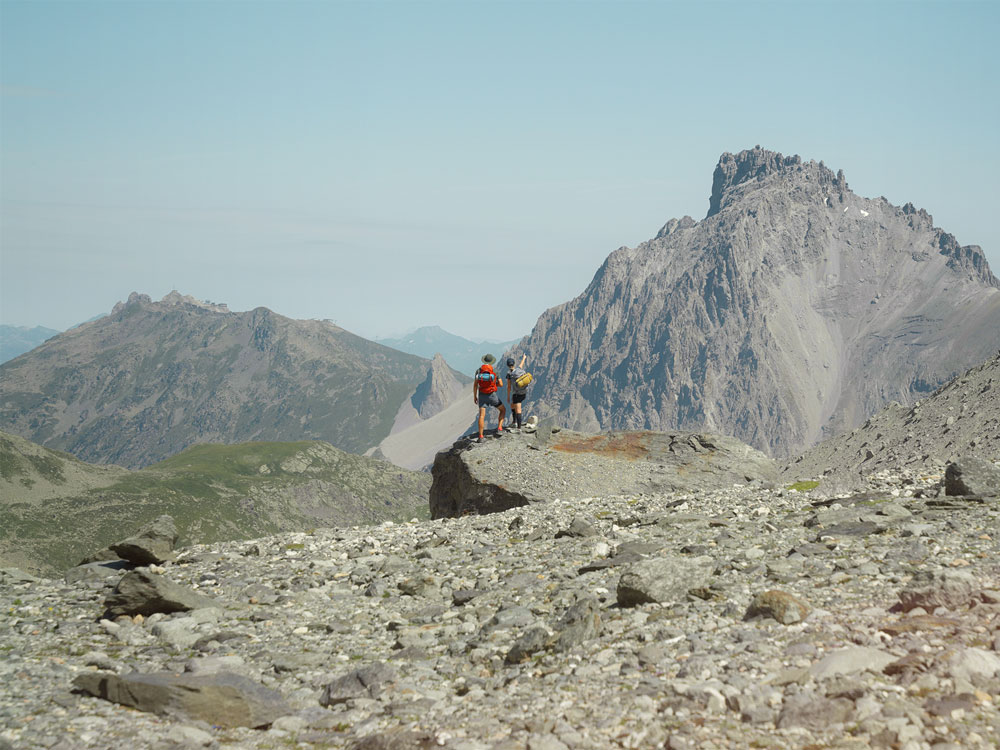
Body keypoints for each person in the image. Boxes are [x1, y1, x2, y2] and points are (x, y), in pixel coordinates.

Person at [473, 354, 506, 443]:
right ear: (492, 362)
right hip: (492, 395)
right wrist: (494, 385)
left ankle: (480, 436)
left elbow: (476, 385)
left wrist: (475, 396)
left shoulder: (479, 371)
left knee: (482, 416)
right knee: (503, 410)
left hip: (482, 395)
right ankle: (499, 428)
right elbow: (501, 384)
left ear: (484, 361)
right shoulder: (495, 371)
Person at [505, 354, 529, 430]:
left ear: (508, 365)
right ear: (514, 364)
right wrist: (524, 358)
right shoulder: (518, 369)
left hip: (516, 394)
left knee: (518, 409)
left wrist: (508, 397)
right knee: (512, 405)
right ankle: (514, 422)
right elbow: (521, 363)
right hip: (524, 392)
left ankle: (518, 428)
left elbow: (509, 387)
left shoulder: (509, 374)